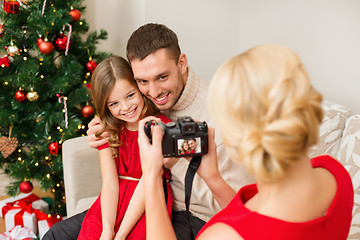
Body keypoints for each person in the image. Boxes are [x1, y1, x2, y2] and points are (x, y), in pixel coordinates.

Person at [44, 23, 253, 240]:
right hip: (134, 201)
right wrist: (100, 128)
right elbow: (118, 104)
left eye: (162, 77)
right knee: (56, 234)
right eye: (142, 81)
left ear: (182, 63)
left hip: (191, 214)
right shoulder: (141, 103)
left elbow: (241, 207)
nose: (153, 92)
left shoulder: (222, 115)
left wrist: (173, 160)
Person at [137, 45, 354, 239]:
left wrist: (152, 173)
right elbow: (249, 217)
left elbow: (247, 225)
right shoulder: (334, 175)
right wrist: (213, 178)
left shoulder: (222, 235)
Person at [76, 55, 173, 240]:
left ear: (139, 89)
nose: (126, 107)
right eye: (114, 103)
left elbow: (148, 182)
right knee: (93, 232)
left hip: (148, 199)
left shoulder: (158, 127)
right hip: (113, 202)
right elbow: (110, 183)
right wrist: (107, 229)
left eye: (130, 95)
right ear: (105, 106)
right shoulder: (108, 130)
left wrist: (120, 235)